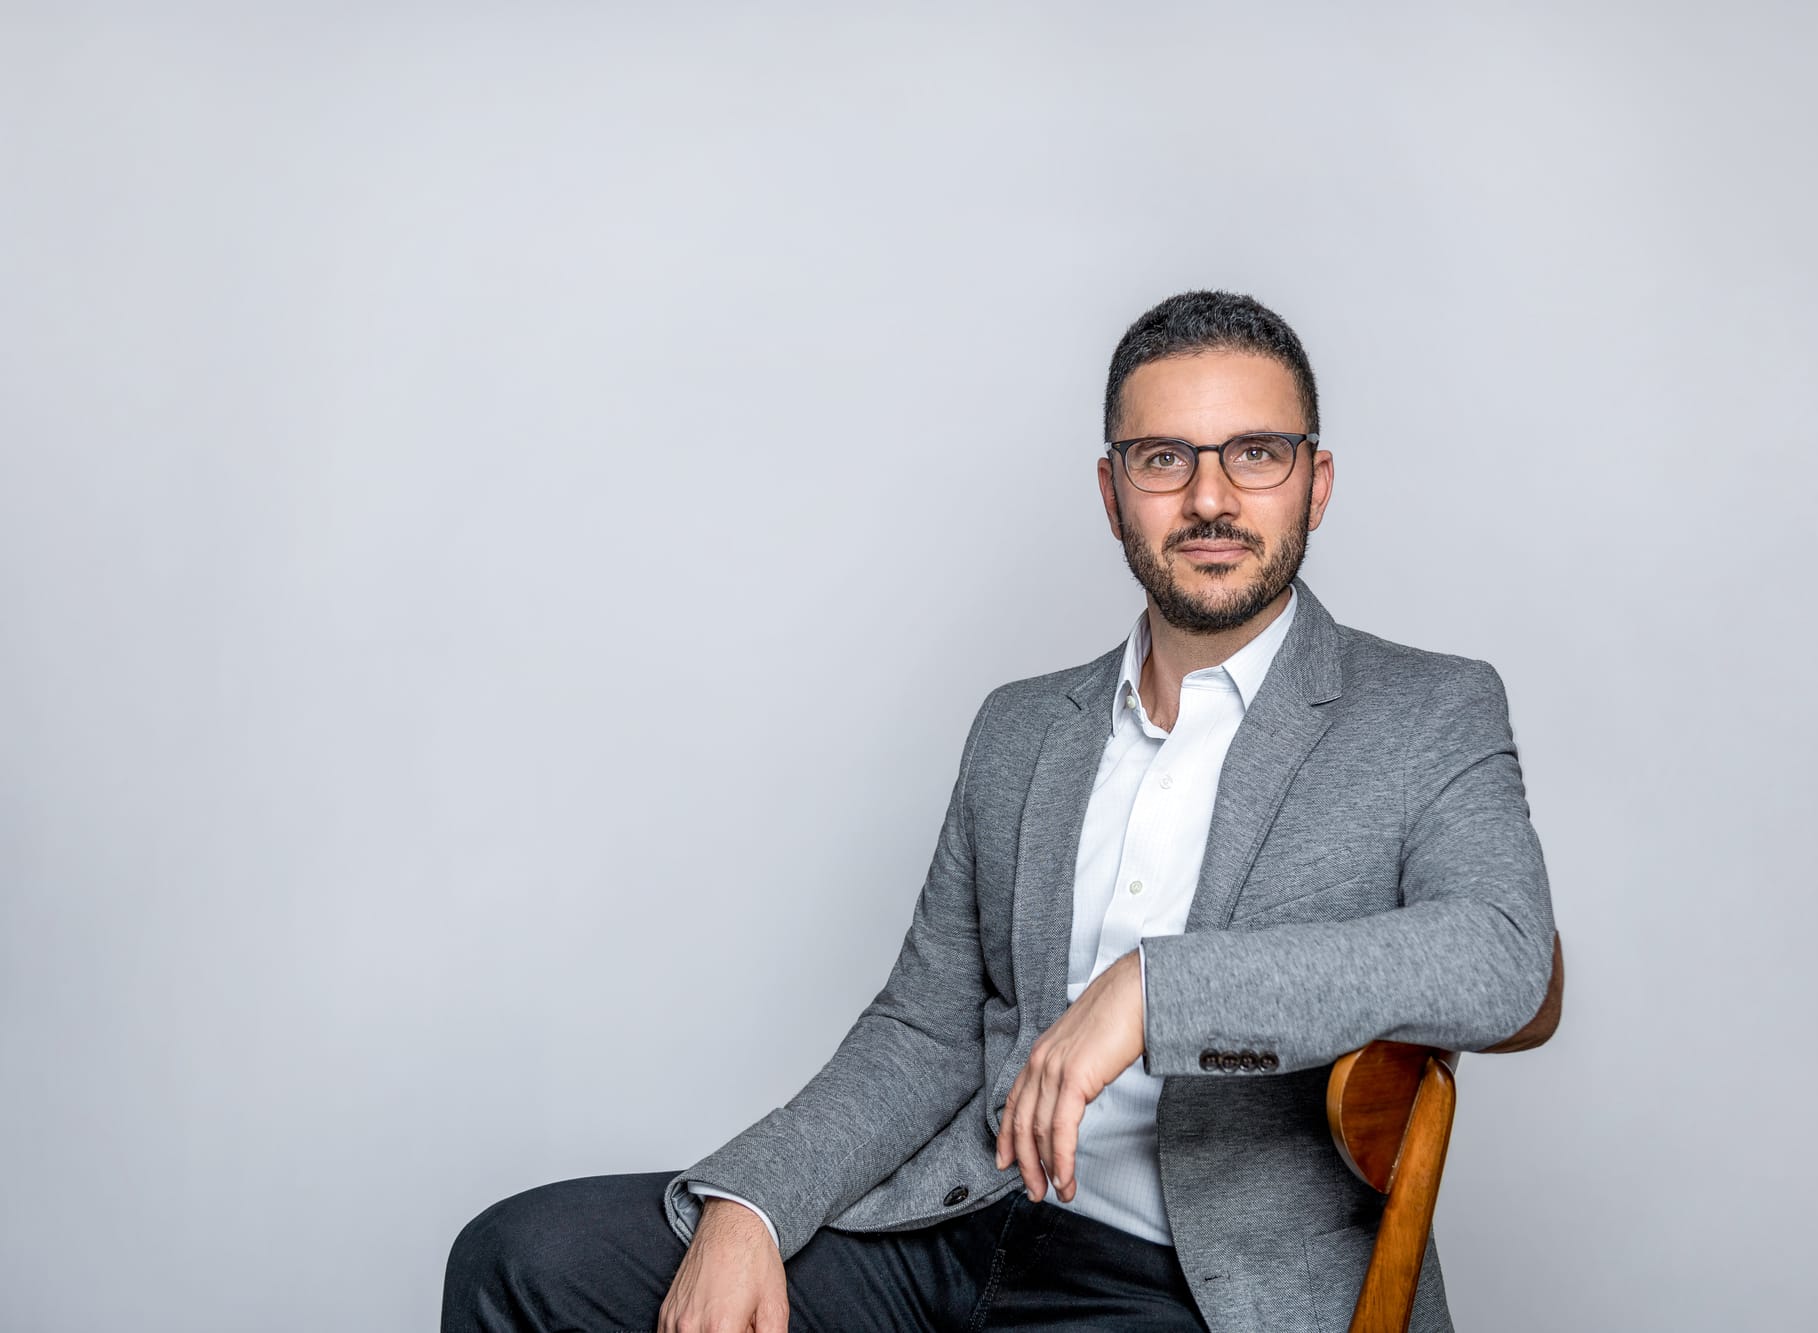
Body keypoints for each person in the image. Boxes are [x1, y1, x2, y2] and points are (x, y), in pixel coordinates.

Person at [442, 290, 1561, 1333]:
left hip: (1201, 1290)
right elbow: (924, 1028)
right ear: (1111, 491)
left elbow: (1504, 957)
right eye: (1163, 458)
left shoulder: (1427, 708)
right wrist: (755, 1201)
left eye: (1254, 455)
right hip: (960, 1223)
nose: (1209, 497)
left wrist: (1151, 989)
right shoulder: (1022, 730)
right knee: (521, 1256)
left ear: (1313, 482)